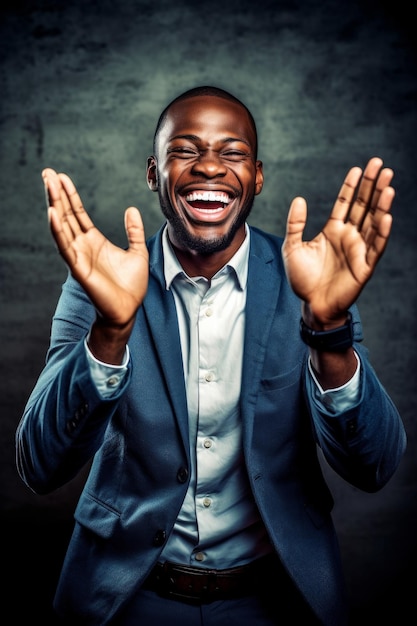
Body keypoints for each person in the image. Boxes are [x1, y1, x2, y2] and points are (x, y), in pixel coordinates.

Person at [16, 85, 406, 626]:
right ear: (154, 173)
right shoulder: (95, 283)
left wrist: (330, 329)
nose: (209, 168)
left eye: (232, 152)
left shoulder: (309, 281)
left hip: (273, 598)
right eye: (185, 150)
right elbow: (39, 464)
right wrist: (111, 330)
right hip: (126, 596)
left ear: (258, 176)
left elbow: (375, 466)